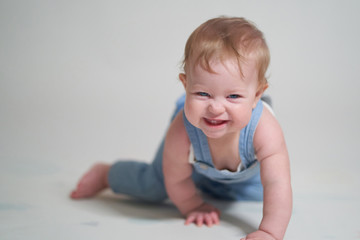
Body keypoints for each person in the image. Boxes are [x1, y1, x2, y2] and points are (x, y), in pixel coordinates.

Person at [70, 16, 292, 240]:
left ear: (256, 96)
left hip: (240, 177)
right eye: (202, 93)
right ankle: (107, 175)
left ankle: (214, 186)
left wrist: (270, 232)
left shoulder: (264, 129)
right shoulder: (184, 127)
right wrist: (192, 205)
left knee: (264, 194)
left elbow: (277, 182)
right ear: (186, 85)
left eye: (233, 96)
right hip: (190, 169)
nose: (215, 108)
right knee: (155, 186)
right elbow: (175, 177)